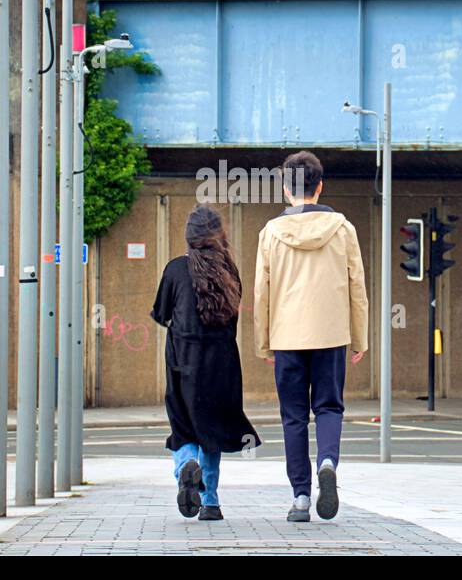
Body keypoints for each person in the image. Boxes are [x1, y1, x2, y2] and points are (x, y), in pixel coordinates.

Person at [254, 151, 368, 522]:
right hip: (332, 333)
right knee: (330, 407)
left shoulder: (271, 232)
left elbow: (262, 292)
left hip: (287, 337)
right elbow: (357, 286)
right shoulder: (344, 229)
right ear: (320, 186)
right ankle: (328, 463)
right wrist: (360, 337)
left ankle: (301, 497)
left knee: (293, 417)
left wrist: (263, 341)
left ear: (287, 189)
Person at [151, 205, 261, 521]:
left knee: (183, 425)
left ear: (189, 237)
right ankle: (210, 501)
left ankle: (186, 465)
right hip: (222, 364)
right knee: (211, 430)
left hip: (182, 362)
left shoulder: (175, 269)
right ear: (219, 236)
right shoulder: (230, 271)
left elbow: (161, 313)